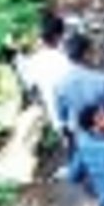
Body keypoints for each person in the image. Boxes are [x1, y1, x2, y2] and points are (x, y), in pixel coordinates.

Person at [54, 30, 104, 141]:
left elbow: (62, 123)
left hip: (81, 141)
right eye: (92, 51)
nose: (94, 55)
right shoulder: (103, 80)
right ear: (86, 54)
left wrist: (71, 147)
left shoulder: (59, 86)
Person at [16, 11, 71, 143]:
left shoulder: (30, 62)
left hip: (59, 121)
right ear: (60, 37)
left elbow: (28, 85)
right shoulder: (66, 58)